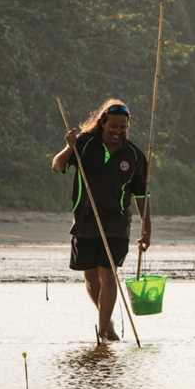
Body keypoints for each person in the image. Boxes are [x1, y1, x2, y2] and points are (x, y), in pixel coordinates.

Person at [51, 98, 151, 343]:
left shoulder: (135, 156)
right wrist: (69, 146)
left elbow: (141, 195)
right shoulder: (85, 143)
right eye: (113, 126)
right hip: (85, 218)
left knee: (109, 274)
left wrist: (147, 227)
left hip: (116, 223)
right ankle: (108, 321)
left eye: (123, 127)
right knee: (90, 277)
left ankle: (103, 330)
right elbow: (57, 166)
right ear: (102, 123)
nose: (117, 132)